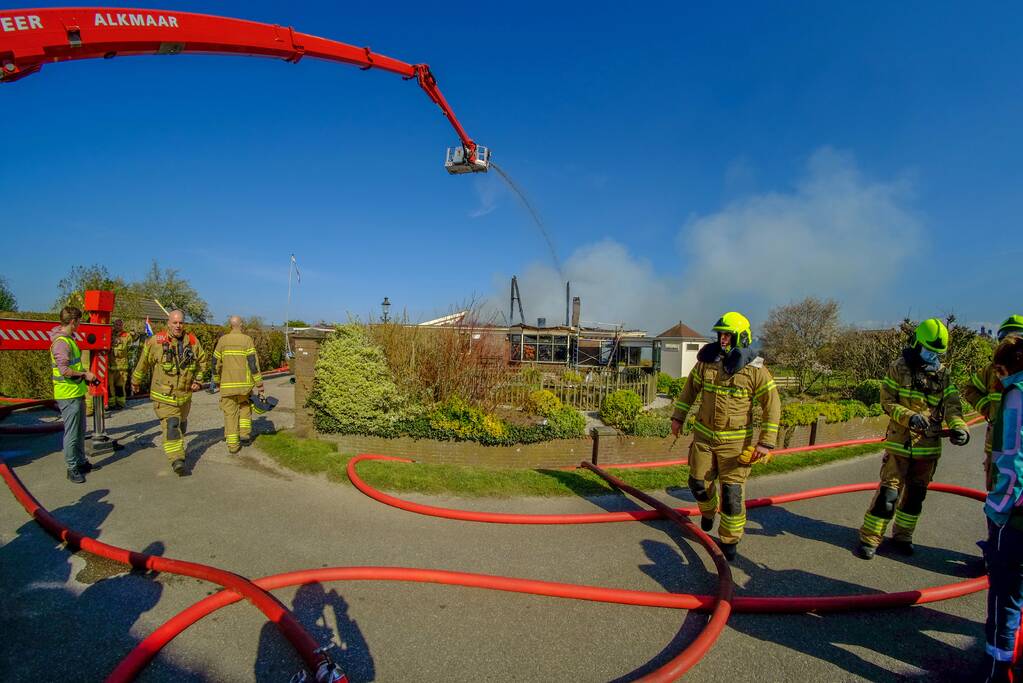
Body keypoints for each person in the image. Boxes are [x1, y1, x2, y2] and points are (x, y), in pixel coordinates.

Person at [670, 311, 781, 561]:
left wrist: (766, 443)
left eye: (728, 335)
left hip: (735, 444)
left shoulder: (756, 371)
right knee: (698, 484)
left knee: (732, 495)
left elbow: (772, 406)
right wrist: (678, 418)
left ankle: (730, 539)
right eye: (720, 334)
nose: (722, 339)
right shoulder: (706, 363)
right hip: (704, 440)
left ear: (740, 337)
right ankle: (708, 512)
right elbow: (689, 391)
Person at [856, 318, 970, 559]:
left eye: (937, 353)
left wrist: (960, 428)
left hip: (928, 449)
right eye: (929, 351)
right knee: (888, 496)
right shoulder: (898, 367)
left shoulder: (942, 374)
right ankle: (870, 539)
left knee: (915, 498)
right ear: (917, 344)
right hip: (900, 444)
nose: (932, 357)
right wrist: (910, 417)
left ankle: (903, 537)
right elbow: (887, 401)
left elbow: (952, 406)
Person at [981, 335, 1023, 683]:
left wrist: (998, 508)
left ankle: (997, 669)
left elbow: (1013, 459)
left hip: (1016, 519)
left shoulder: (1018, 394)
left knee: (1005, 594)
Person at [131, 310, 208, 476]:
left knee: (181, 425)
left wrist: (198, 381)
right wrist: (135, 381)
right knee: (172, 425)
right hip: (164, 396)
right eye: (175, 323)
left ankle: (177, 448)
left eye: (181, 323)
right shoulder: (156, 342)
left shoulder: (193, 342)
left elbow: (202, 362)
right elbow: (143, 362)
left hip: (185, 397)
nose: (178, 326)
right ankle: (177, 460)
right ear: (168, 323)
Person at [962, 315, 1023, 490]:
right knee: (997, 493)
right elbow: (970, 389)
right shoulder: (992, 370)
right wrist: (987, 409)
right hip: (996, 447)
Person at [49, 306, 98, 483]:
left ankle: (80, 461)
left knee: (79, 430)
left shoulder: (69, 340)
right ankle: (72, 468)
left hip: (75, 392)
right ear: (73, 321)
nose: (80, 325)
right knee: (71, 433)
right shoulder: (62, 342)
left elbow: (72, 367)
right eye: (79, 321)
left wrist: (83, 375)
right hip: (68, 394)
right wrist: (85, 375)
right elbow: (64, 370)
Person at [212, 316, 264, 454]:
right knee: (245, 408)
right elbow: (253, 364)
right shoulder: (247, 340)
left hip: (227, 385)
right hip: (244, 386)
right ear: (241, 325)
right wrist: (259, 384)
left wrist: (217, 380)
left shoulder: (222, 340)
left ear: (230, 325)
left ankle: (233, 445)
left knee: (230, 414)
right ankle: (245, 435)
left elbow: (214, 362)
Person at [108, 318, 132, 410]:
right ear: (113, 325)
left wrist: (119, 341)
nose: (117, 326)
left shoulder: (126, 335)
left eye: (119, 325)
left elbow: (128, 345)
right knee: (110, 387)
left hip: (122, 367)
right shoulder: (109, 334)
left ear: (122, 326)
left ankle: (120, 403)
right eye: (116, 324)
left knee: (120, 386)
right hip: (110, 367)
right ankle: (111, 404)